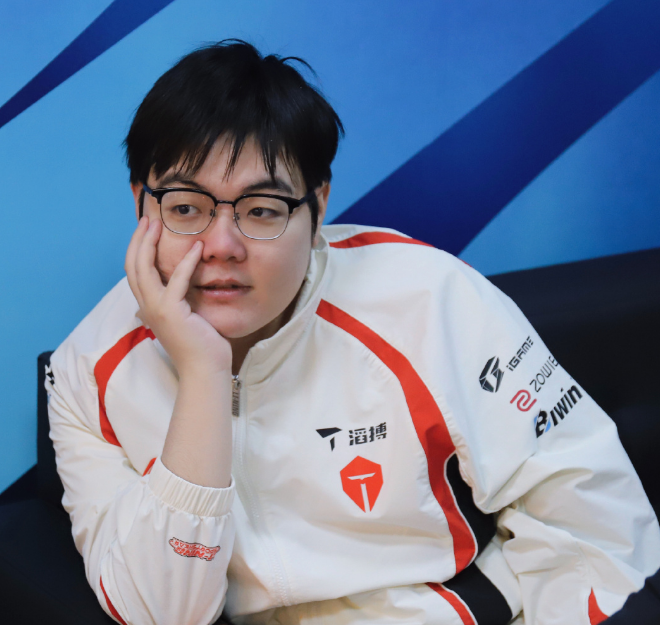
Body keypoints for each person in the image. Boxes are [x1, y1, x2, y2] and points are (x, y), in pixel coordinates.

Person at [45, 40, 660, 625]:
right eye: (186, 208)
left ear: (317, 208)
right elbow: (163, 612)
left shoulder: (428, 298)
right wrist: (204, 376)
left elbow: (594, 523)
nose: (221, 246)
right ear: (142, 204)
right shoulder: (86, 373)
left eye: (262, 210)